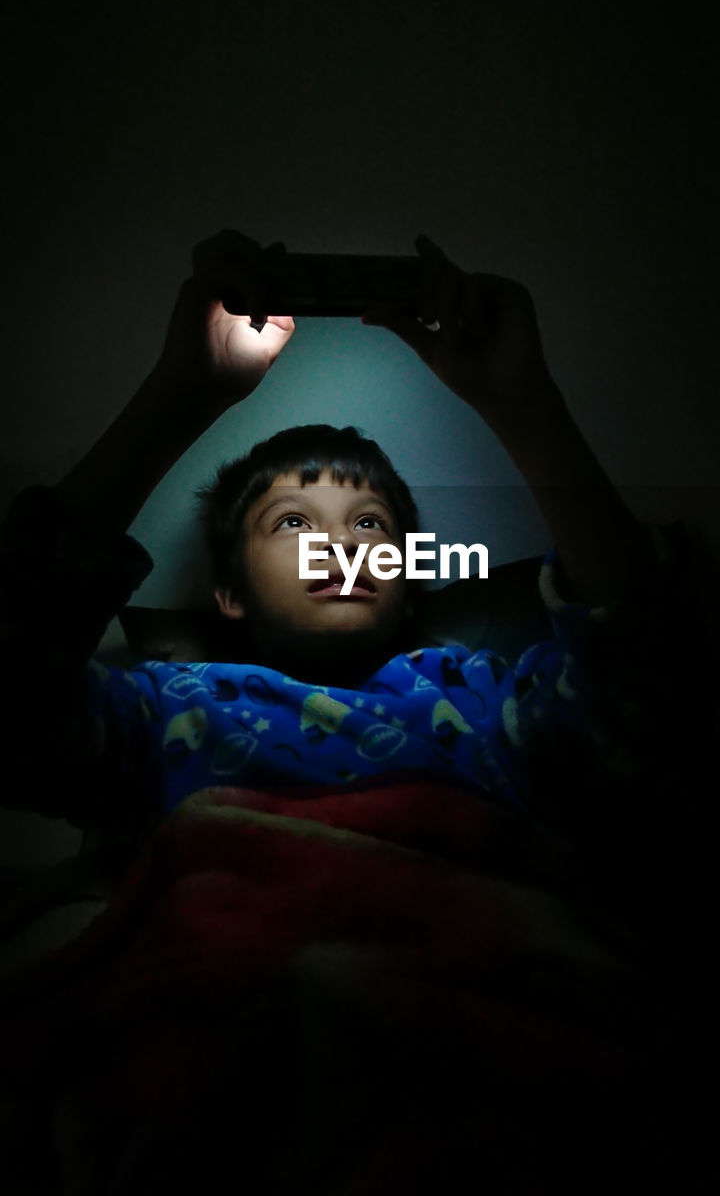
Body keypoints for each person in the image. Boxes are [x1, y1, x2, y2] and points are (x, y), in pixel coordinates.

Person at [0, 229, 704, 1193]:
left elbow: (653, 705)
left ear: (409, 577)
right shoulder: (165, 709)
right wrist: (183, 392)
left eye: (369, 524)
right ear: (230, 596)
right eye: (293, 522)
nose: (341, 544)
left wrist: (522, 402)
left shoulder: (485, 701)